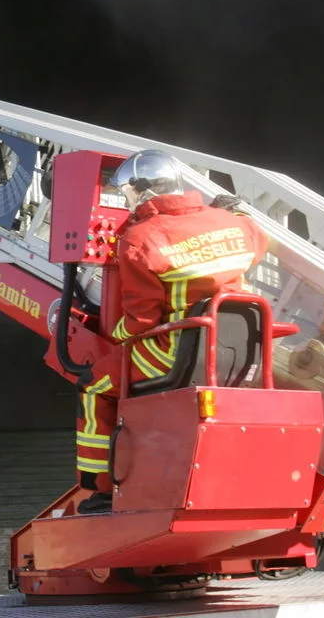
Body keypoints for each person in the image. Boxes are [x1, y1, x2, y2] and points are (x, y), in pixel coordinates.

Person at [74, 149, 269, 514]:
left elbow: (141, 322)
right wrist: (235, 211)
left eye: (128, 194)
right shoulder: (236, 224)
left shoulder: (140, 238)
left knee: (93, 385)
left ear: (142, 192)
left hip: (175, 352)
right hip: (241, 355)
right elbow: (257, 240)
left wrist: (112, 334)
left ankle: (101, 489)